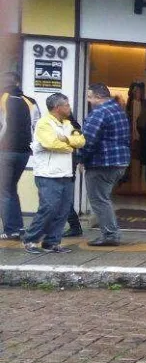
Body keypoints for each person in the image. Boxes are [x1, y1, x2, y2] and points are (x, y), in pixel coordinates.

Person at [24, 93, 84, 254]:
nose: (69, 108)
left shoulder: (67, 124)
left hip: (65, 174)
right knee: (48, 208)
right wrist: (69, 146)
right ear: (58, 108)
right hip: (48, 174)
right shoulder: (44, 123)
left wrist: (65, 140)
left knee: (63, 210)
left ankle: (52, 242)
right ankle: (31, 240)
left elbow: (81, 141)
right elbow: (51, 143)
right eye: (67, 105)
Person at [79, 83, 132, 247]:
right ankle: (111, 232)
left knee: (99, 199)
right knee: (104, 198)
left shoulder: (99, 112)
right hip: (119, 161)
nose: (88, 100)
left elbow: (87, 140)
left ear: (98, 97)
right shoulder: (118, 110)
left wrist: (80, 159)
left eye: (89, 96)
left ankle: (110, 234)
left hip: (102, 162)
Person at [0, 72, 37, 240]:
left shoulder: (2, 99)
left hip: (5, 151)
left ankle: (11, 230)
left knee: (5, 191)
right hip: (23, 153)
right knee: (10, 189)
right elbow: (37, 127)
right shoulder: (30, 101)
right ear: (18, 82)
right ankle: (18, 227)